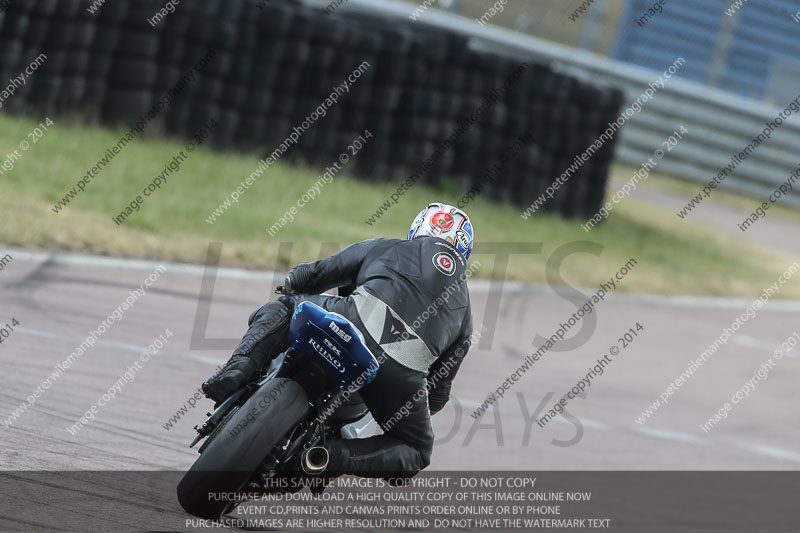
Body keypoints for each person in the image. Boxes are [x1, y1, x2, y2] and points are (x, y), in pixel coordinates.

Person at [202, 202, 474, 478]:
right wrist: (404, 399)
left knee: (284, 307)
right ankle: (327, 456)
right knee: (416, 451)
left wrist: (293, 281)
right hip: (400, 373)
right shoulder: (466, 313)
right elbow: (437, 394)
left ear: (418, 229)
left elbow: (317, 274)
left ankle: (236, 371)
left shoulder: (387, 246)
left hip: (349, 319)